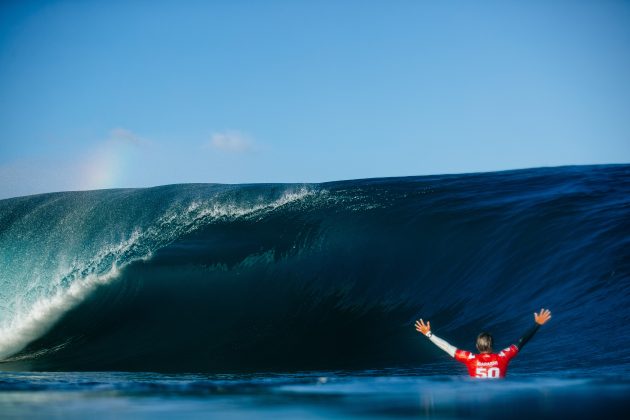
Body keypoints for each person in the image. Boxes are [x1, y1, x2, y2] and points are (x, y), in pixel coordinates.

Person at [415, 308, 552, 378]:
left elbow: (447, 347)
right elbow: (521, 341)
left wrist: (428, 334)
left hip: (477, 399)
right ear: (492, 345)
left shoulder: (470, 359)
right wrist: (537, 324)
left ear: (476, 346)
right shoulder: (503, 357)